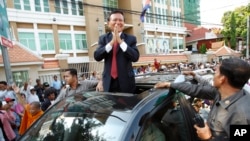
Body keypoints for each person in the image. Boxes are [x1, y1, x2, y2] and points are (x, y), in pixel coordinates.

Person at [154, 57, 250, 140]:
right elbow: (197, 89)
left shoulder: (242, 115)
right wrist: (171, 84)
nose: (214, 75)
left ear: (222, 79)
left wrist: (208, 138)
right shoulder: (221, 92)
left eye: (216, 72)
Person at [94, 10, 140, 93]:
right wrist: (111, 43)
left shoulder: (131, 39)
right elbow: (97, 56)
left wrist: (121, 42)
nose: (118, 22)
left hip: (126, 83)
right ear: (108, 23)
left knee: (127, 105)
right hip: (108, 83)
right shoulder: (103, 38)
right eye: (115, 20)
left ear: (124, 23)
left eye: (120, 20)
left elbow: (135, 57)